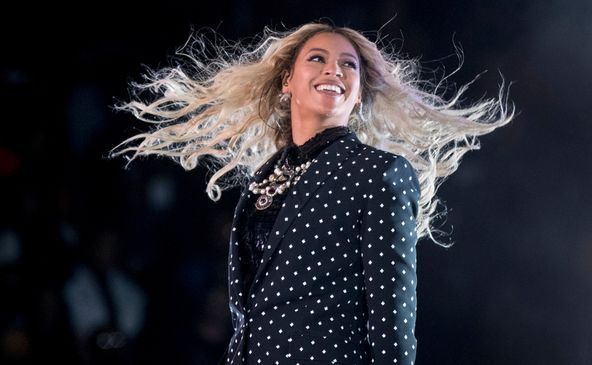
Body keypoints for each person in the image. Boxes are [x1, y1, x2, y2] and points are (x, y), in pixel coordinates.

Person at [112, 22, 513, 364]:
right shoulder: (264, 178)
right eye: (317, 58)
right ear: (287, 80)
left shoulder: (379, 172)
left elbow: (393, 316)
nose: (333, 70)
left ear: (358, 94)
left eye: (348, 65)